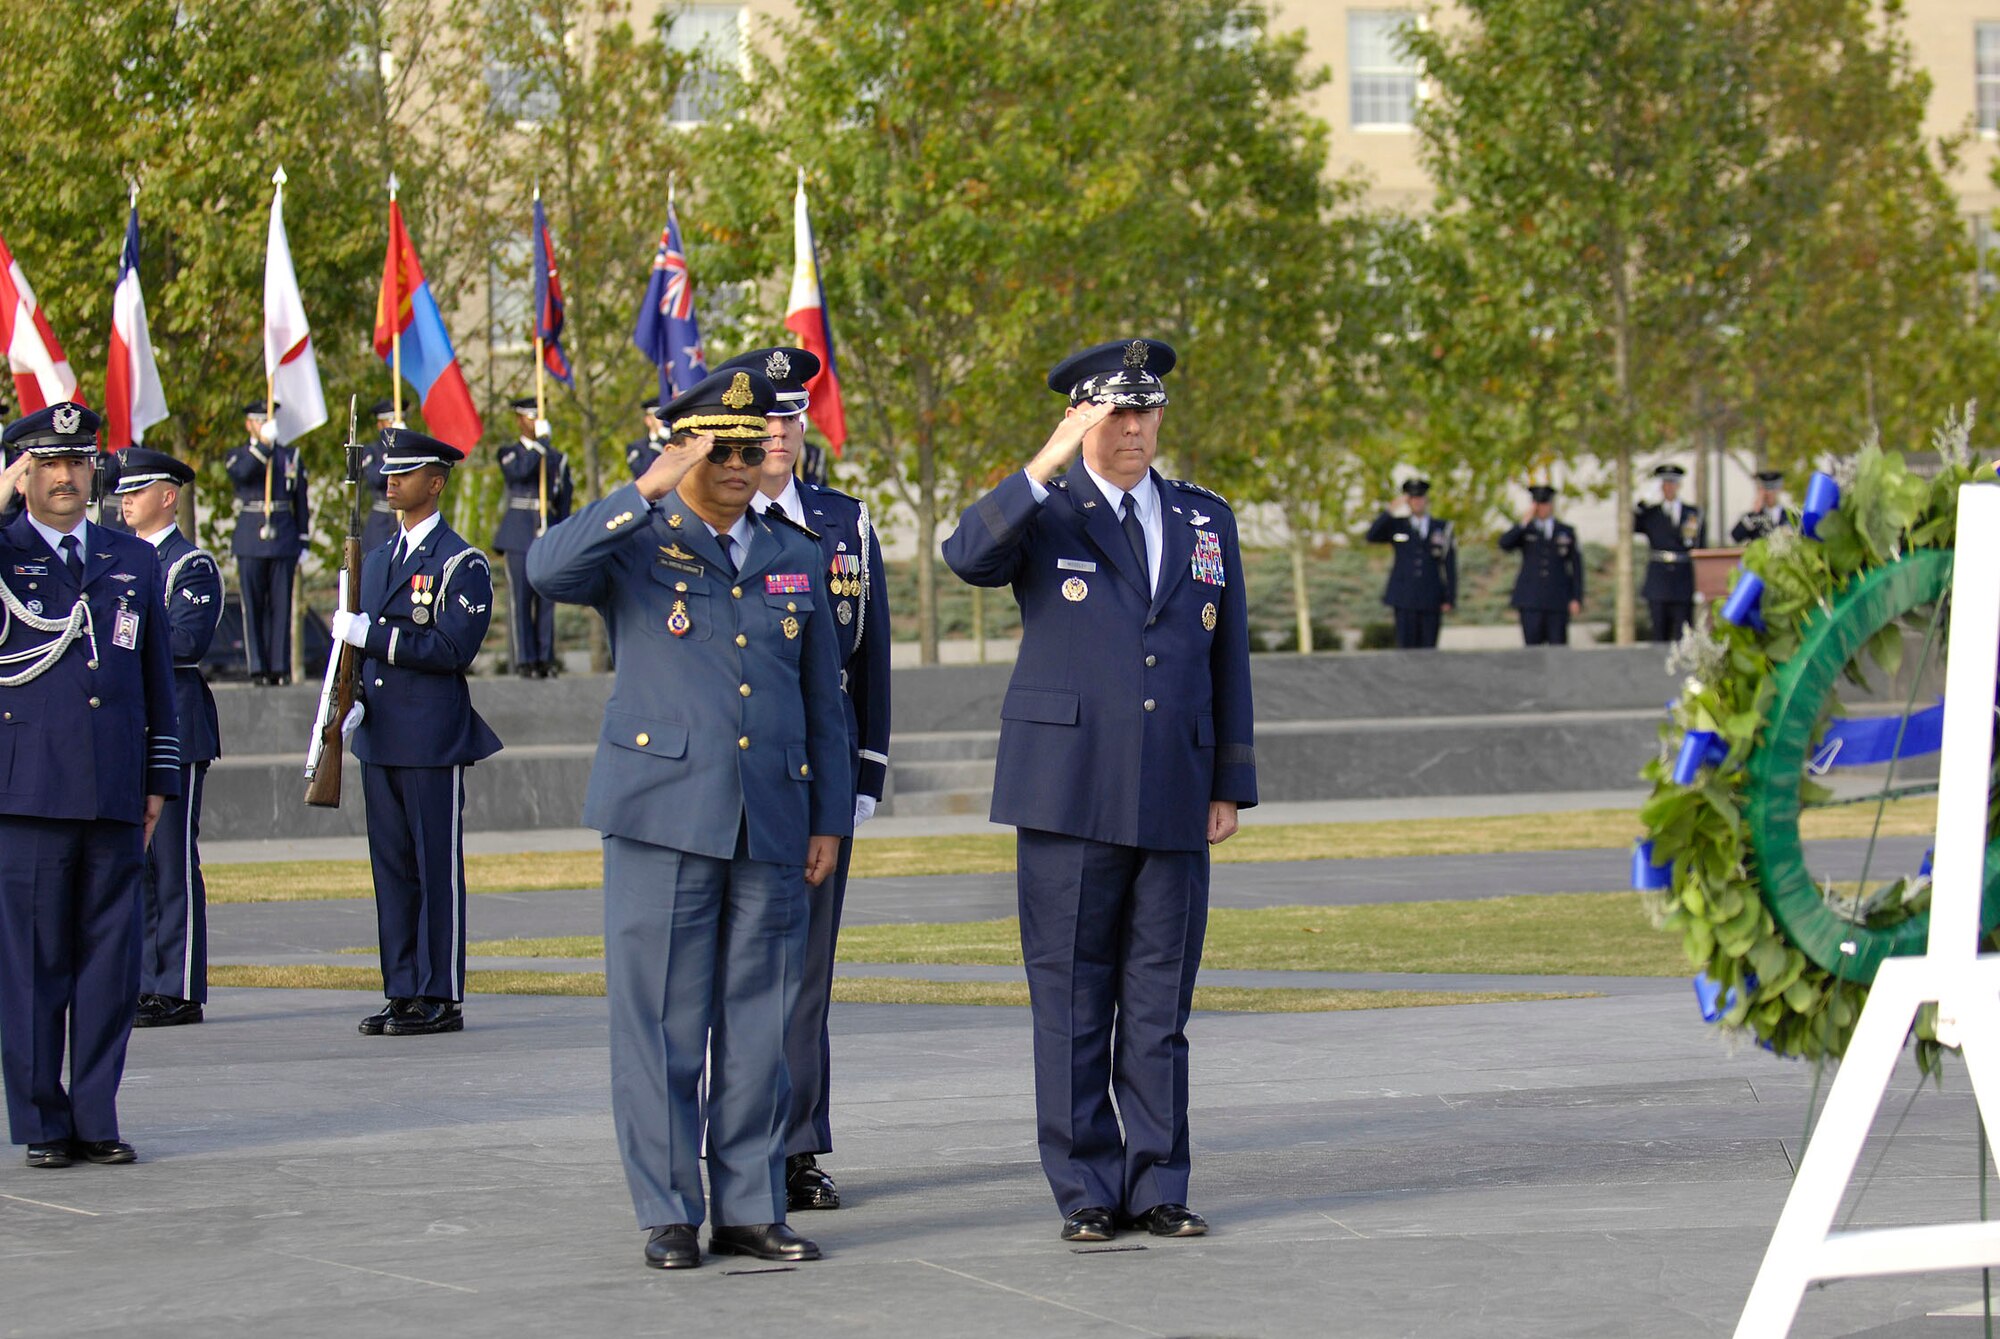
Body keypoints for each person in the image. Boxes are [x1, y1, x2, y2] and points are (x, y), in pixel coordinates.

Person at [527, 366, 852, 1271]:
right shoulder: (638, 539)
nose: (745, 463)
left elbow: (822, 697)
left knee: (759, 1022)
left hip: (772, 817)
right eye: (724, 447)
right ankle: (669, 1208)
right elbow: (546, 568)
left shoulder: (793, 551)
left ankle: (749, 1204)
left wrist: (828, 814)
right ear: (686, 447)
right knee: (663, 1022)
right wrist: (652, 481)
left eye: (755, 446)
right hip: (664, 814)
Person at [942, 337, 1257, 1244]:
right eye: (1114, 411)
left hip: (1173, 786)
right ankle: (1085, 1184)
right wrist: (1042, 462)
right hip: (1068, 789)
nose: (1134, 427)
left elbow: (1225, 651)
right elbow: (966, 553)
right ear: (1081, 418)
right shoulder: (1045, 508)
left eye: (1146, 409)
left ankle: (1159, 1180)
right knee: (1074, 998)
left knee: (1161, 1000)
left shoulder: (1203, 518)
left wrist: (1229, 780)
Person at [718, 345, 891, 1213]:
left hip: (820, 779)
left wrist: (865, 771)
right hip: (737, 773)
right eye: (763, 420)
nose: (777, 433)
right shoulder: (712, 511)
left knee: (805, 975)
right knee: (732, 972)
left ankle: (795, 1148)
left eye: (789, 417)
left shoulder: (844, 521)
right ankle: (731, 1143)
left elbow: (871, 661)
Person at [0, 404, 180, 1168]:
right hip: (30, 794)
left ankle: (96, 1114)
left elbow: (154, 678)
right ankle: (45, 1122)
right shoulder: (5, 554)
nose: (67, 476)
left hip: (113, 786)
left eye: (77, 461)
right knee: (33, 966)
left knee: (110, 966)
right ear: (23, 472)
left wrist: (158, 777)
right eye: (47, 462)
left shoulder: (129, 558)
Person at [329, 429, 501, 1039]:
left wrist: (369, 636)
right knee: (392, 869)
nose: (392, 481)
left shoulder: (462, 561)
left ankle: (440, 992)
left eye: (407, 473)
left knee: (434, 868)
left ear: (437, 482)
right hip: (379, 734)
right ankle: (402, 989)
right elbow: (358, 656)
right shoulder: (374, 561)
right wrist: (347, 700)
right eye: (388, 472)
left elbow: (452, 647)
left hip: (430, 737)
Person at [115, 448, 225, 1027]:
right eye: (122, 490)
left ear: (169, 495)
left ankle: (177, 985)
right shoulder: (119, 560)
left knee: (171, 860)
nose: (124, 498)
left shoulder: (191, 566)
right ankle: (141, 980)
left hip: (176, 726)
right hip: (128, 725)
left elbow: (186, 642)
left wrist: (119, 643)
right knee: (134, 860)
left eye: (138, 489)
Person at [225, 399, 310, 685]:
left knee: (281, 605)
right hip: (251, 538)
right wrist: (263, 447)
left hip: (283, 535)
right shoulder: (238, 455)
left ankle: (279, 667)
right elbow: (241, 474)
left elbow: (301, 499)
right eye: (259, 420)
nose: (264, 425)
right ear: (249, 424)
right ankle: (258, 667)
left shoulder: (290, 456)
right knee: (253, 606)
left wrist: (303, 538)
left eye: (268, 421)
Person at [492, 396, 571, 678]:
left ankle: (545, 658)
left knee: (546, 597)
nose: (534, 422)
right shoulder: (510, 453)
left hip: (546, 532)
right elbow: (520, 473)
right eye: (529, 416)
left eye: (538, 417)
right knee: (521, 599)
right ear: (519, 420)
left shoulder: (557, 459)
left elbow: (563, 501)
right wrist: (540, 446)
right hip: (518, 535)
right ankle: (525, 659)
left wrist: (562, 536)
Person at [1365, 478, 1457, 649]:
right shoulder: (1397, 525)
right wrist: (1389, 511)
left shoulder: (1442, 528)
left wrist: (1450, 597)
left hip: (1431, 597)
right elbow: (1371, 536)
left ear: (1426, 500)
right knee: (1406, 649)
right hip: (1404, 597)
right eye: (1412, 498)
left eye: (1420, 498)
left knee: (1428, 648)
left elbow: (1449, 565)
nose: (1417, 502)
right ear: (1407, 501)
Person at [1498, 484, 1584, 646]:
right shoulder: (1526, 530)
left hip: (1557, 599)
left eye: (1544, 504)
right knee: (1532, 650)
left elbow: (1577, 567)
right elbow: (1504, 544)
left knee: (1558, 648)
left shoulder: (1566, 531)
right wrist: (1523, 523)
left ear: (1551, 505)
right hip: (1531, 599)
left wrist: (1576, 597)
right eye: (1538, 505)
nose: (1541, 509)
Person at [1635, 463, 1704, 642]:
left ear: (1678, 485)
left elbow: (1699, 545)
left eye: (1672, 483)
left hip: (1683, 579)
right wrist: (1644, 500)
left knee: (1684, 634)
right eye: (1665, 483)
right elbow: (1634, 524)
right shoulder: (1651, 513)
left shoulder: (1692, 513)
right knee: (1659, 634)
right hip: (1658, 580)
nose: (1669, 487)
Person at [357, 399, 403, 554]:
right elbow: (375, 479)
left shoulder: (411, 452)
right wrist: (393, 452)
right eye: (390, 421)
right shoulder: (372, 451)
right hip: (381, 522)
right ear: (380, 425)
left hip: (406, 518)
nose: (394, 425)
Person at [1731, 470, 1789, 543]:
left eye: (1773, 489)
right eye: (1766, 489)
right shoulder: (1754, 516)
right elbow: (1736, 536)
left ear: (1779, 490)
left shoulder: (1788, 515)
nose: (1770, 493)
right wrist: (1755, 513)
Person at [625, 396, 665, 479]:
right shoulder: (637, 447)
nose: (664, 420)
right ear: (648, 421)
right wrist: (660, 441)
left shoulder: (676, 440)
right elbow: (642, 473)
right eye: (659, 417)